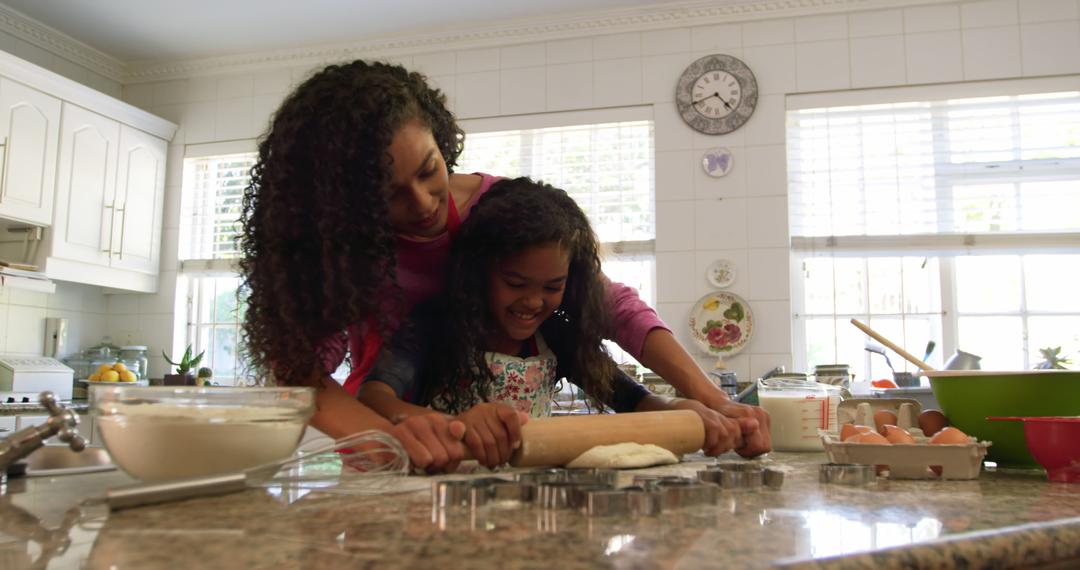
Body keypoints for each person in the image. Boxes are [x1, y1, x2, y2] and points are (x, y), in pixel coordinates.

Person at [239, 60, 770, 471]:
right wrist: (398, 433)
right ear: (340, 207)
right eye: (388, 196)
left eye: (430, 170)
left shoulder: (500, 216)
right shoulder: (342, 258)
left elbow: (610, 311)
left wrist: (710, 401)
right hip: (388, 439)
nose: (423, 204)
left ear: (441, 140)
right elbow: (301, 371)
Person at [359, 177, 734, 468]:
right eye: (515, 284)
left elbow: (632, 400)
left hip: (532, 505)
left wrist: (678, 409)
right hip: (443, 498)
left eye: (552, 287)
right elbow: (375, 395)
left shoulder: (557, 334)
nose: (533, 301)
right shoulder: (434, 323)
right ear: (479, 273)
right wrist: (445, 425)